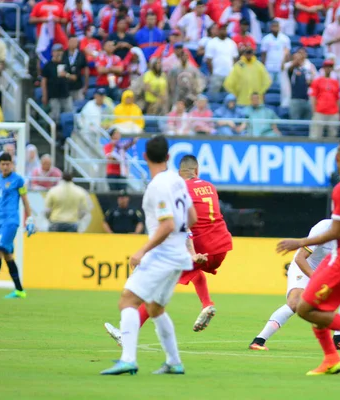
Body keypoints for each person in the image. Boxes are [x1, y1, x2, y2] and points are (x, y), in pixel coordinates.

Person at [276, 136, 340, 376]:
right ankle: (331, 359)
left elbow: (336, 231)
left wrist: (300, 242)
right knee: (316, 307)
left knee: (304, 308)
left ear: (337, 158)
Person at [104, 154, 232, 343]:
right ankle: (207, 304)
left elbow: (185, 226)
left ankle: (127, 336)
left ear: (180, 174)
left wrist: (192, 253)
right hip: (221, 246)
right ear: (197, 171)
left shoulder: (181, 189)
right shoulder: (210, 187)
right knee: (194, 273)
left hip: (199, 247)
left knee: (155, 293)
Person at [100, 135, 195, 376]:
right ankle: (174, 362)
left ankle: (128, 359)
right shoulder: (177, 180)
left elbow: (166, 225)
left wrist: (142, 250)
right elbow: (191, 218)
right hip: (179, 255)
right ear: (168, 157)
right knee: (154, 308)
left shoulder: (157, 186)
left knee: (128, 300)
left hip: (163, 255)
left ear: (144, 158)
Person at [250, 218, 340, 351]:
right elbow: (300, 258)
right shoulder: (323, 228)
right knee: (295, 303)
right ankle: (259, 341)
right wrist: (317, 281)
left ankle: (339, 340)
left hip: (326, 271)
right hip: (304, 267)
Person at [0, 153, 34, 299]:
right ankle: (19, 290)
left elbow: (25, 199)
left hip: (11, 221)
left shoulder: (18, 180)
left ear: (12, 164)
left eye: (8, 164)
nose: (5, 166)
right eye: (3, 164)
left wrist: (30, 218)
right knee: (7, 255)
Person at [41, 44, 75, 122]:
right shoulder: (48, 65)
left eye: (60, 51)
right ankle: (53, 132)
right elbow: (44, 81)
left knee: (69, 114)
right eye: (56, 51)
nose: (58, 53)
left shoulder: (66, 64)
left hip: (65, 94)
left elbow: (74, 77)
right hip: (53, 95)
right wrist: (44, 95)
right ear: (52, 53)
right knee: (55, 116)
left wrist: (66, 74)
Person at [309, 59, 340, 139]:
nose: (328, 68)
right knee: (316, 135)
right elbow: (313, 97)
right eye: (326, 66)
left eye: (330, 67)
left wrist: (338, 111)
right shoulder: (317, 81)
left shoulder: (335, 82)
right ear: (323, 68)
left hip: (333, 112)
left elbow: (338, 98)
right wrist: (314, 110)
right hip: (320, 111)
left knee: (332, 135)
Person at [205, 22, 239, 94]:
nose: (224, 31)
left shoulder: (231, 43)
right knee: (213, 95)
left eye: (225, 29)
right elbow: (208, 60)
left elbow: (235, 59)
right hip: (216, 74)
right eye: (222, 29)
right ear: (218, 30)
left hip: (229, 74)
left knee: (229, 97)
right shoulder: (212, 42)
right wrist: (212, 73)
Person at [260, 19, 291, 84]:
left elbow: (287, 54)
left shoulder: (285, 38)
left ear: (279, 27)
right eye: (273, 26)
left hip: (281, 67)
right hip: (269, 67)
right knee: (268, 86)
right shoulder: (266, 39)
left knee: (282, 88)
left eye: (276, 26)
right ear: (270, 27)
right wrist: (263, 67)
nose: (275, 28)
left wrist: (285, 64)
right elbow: (263, 54)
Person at [64, 36, 88, 101]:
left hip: (78, 85)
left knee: (80, 104)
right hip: (66, 86)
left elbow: (86, 70)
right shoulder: (64, 54)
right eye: (72, 41)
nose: (74, 43)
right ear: (68, 42)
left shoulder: (81, 54)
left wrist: (86, 85)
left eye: (75, 42)